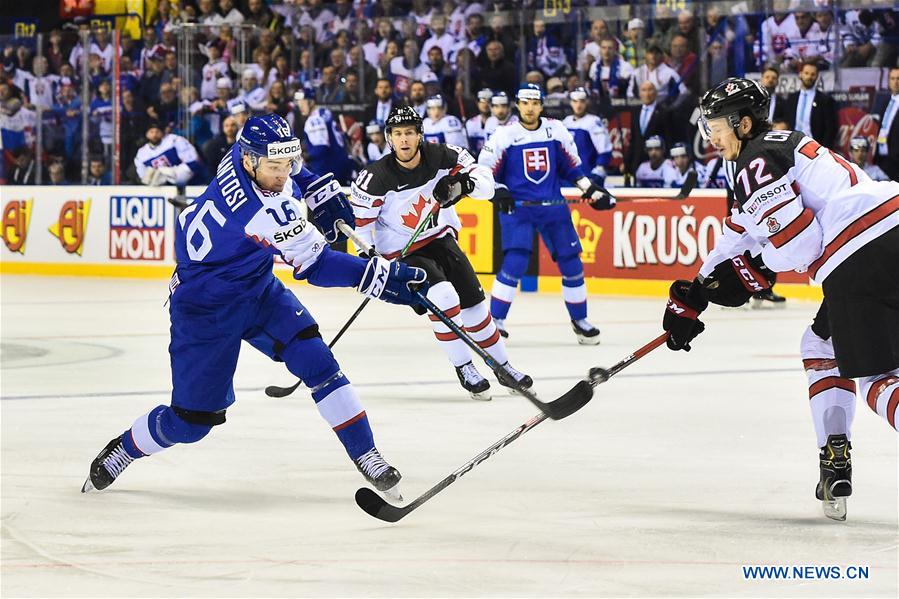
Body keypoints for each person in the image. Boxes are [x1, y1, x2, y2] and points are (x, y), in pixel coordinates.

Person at [82, 114, 428, 499]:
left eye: (287, 163)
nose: (283, 174)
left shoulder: (240, 154)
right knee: (191, 423)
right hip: (205, 309)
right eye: (274, 167)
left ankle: (368, 456)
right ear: (250, 161)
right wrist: (379, 277)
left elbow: (286, 165)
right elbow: (317, 267)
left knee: (318, 361)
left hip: (257, 286)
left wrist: (312, 184)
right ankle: (125, 448)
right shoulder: (260, 210)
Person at [662, 77, 899, 521]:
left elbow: (801, 247)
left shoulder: (752, 162)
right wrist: (698, 288)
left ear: (742, 123)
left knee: (878, 376)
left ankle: (835, 458)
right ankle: (834, 457)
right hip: (890, 221)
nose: (710, 136)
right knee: (821, 345)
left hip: (858, 250)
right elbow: (738, 232)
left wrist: (756, 269)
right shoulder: (783, 145)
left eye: (716, 126)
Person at [350, 105, 532, 400]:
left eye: (410, 132)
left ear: (420, 135)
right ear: (389, 138)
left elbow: (485, 183)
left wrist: (465, 184)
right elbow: (360, 228)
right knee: (444, 297)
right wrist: (371, 259)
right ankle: (465, 367)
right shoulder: (375, 177)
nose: (404, 139)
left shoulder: (443, 156)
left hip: (440, 239)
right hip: (402, 253)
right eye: (398, 134)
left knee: (475, 305)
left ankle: (504, 366)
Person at [478, 83, 611, 344]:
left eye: (535, 103)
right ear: (518, 105)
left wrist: (591, 190)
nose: (530, 108)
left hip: (553, 206)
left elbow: (572, 168)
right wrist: (499, 191)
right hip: (518, 208)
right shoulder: (503, 135)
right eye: (525, 103)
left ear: (541, 105)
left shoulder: (556, 130)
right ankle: (496, 322)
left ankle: (580, 321)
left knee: (572, 263)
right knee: (515, 262)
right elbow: (485, 172)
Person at [293, 86, 355, 185]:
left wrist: (303, 157)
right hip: (341, 164)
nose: (300, 105)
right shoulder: (325, 112)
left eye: (302, 101)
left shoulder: (314, 120)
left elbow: (321, 148)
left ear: (311, 102)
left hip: (327, 170)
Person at [562, 87, 612, 187]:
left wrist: (598, 173)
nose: (578, 105)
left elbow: (605, 150)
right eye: (575, 101)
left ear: (587, 102)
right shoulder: (566, 122)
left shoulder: (594, 122)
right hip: (567, 177)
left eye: (582, 101)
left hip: (587, 176)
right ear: (571, 102)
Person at [783, 61, 837, 150]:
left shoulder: (825, 100)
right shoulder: (792, 98)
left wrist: (824, 150)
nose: (809, 77)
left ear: (817, 76)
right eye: (806, 73)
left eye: (813, 74)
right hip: (792, 146)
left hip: (815, 147)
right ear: (800, 74)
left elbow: (830, 128)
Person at [135, 122, 206, 186]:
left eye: (157, 131)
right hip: (161, 190)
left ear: (162, 132)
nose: (154, 135)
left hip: (192, 183)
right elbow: (143, 177)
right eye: (151, 132)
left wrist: (173, 173)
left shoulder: (174, 140)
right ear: (146, 134)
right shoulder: (142, 153)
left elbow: (193, 163)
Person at [874, 66, 899, 181]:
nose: (895, 82)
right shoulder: (885, 101)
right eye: (892, 78)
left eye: (898, 79)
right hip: (883, 157)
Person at [465, 88, 493, 155]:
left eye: (488, 101)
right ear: (477, 102)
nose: (485, 104)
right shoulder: (470, 123)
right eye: (482, 100)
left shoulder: (499, 123)